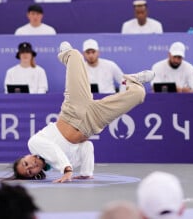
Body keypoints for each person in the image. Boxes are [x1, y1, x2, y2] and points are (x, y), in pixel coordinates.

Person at [12, 41, 154, 182]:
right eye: (30, 172)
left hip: (73, 109)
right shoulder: (62, 163)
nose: (31, 166)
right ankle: (132, 80)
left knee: (74, 55)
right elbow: (86, 146)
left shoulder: (34, 143)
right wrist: (86, 172)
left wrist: (67, 170)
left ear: (26, 156)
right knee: (139, 94)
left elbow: (54, 150)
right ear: (37, 174)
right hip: (92, 122)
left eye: (26, 163)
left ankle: (65, 55)